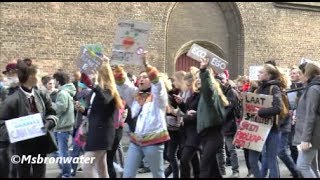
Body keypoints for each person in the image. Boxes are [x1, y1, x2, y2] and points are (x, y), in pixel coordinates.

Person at [115, 52, 170, 178]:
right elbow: (124, 86)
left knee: (158, 175)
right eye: (140, 77)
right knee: (127, 175)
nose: (141, 79)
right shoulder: (136, 96)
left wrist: (146, 64)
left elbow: (158, 85)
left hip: (154, 141)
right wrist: (117, 67)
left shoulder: (158, 98)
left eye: (145, 77)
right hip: (136, 141)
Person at [0, 59, 58, 178]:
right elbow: (2, 124)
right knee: (23, 174)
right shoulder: (12, 99)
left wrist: (49, 123)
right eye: (37, 74)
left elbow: (52, 113)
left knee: (40, 175)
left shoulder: (41, 95)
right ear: (30, 77)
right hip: (22, 148)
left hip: (40, 145)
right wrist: (16, 130)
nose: (40, 77)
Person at [75, 56, 123, 178]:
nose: (92, 74)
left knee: (87, 164)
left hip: (102, 132)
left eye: (94, 72)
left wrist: (95, 85)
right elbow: (97, 111)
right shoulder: (96, 90)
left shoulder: (109, 90)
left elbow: (105, 99)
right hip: (96, 130)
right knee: (101, 166)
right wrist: (83, 110)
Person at [249, 63, 287, 178]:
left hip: (272, 129)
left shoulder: (274, 88)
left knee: (271, 160)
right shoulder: (257, 89)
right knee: (252, 159)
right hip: (257, 128)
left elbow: (278, 108)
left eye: (261, 72)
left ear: (268, 75)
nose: (258, 74)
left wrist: (260, 112)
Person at [197, 58, 229, 178]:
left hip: (213, 136)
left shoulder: (210, 96)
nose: (198, 81)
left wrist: (204, 71)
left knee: (204, 167)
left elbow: (208, 89)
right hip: (206, 135)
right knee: (213, 169)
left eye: (200, 79)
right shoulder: (203, 97)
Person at [293, 61, 320, 178]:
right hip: (311, 134)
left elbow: (311, 115)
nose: (299, 76)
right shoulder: (311, 87)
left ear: (307, 74)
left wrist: (305, 139)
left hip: (311, 135)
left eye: (300, 73)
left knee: (302, 165)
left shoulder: (313, 89)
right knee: (313, 166)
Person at [173, 70, 201, 178]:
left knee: (184, 160)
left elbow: (199, 113)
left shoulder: (200, 96)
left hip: (195, 133)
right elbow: (187, 110)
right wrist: (181, 104)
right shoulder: (191, 96)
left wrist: (188, 115)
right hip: (187, 132)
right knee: (193, 160)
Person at [216, 71, 240, 178]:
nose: (220, 82)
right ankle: (222, 171)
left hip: (229, 123)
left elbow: (230, 108)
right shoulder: (217, 92)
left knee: (231, 149)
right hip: (219, 125)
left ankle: (236, 171)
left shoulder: (231, 92)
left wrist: (219, 117)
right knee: (219, 148)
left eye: (222, 80)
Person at [52, 70, 76, 178]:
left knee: (62, 153)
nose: (54, 82)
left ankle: (67, 174)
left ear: (58, 81)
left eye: (54, 80)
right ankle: (67, 171)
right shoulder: (66, 91)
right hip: (64, 126)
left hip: (62, 126)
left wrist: (50, 106)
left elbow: (61, 108)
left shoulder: (62, 93)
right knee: (60, 152)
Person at [165, 71, 185, 178]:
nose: (173, 82)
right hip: (170, 127)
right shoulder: (173, 92)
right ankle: (169, 172)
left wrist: (173, 111)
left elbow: (185, 111)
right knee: (170, 155)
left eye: (175, 80)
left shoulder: (182, 92)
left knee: (175, 155)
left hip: (178, 128)